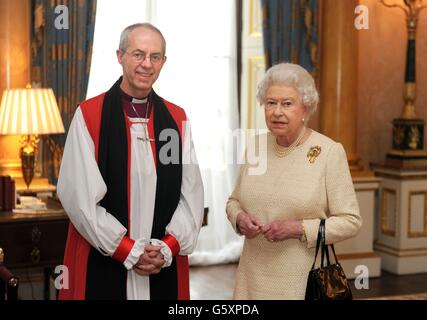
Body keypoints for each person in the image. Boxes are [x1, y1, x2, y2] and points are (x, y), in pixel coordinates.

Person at [57, 23, 204, 300]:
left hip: (161, 261)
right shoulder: (90, 116)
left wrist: (166, 247)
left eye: (155, 56)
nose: (147, 64)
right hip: (104, 256)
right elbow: (80, 199)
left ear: (163, 62)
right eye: (138, 54)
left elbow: (191, 195)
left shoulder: (174, 120)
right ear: (120, 56)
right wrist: (127, 249)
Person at [226, 63, 362, 299]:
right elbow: (234, 201)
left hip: (301, 283)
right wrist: (239, 218)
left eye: (287, 104)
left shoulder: (328, 152)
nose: (277, 111)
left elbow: (351, 221)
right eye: (271, 102)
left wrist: (297, 229)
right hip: (250, 279)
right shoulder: (256, 146)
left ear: (305, 108)